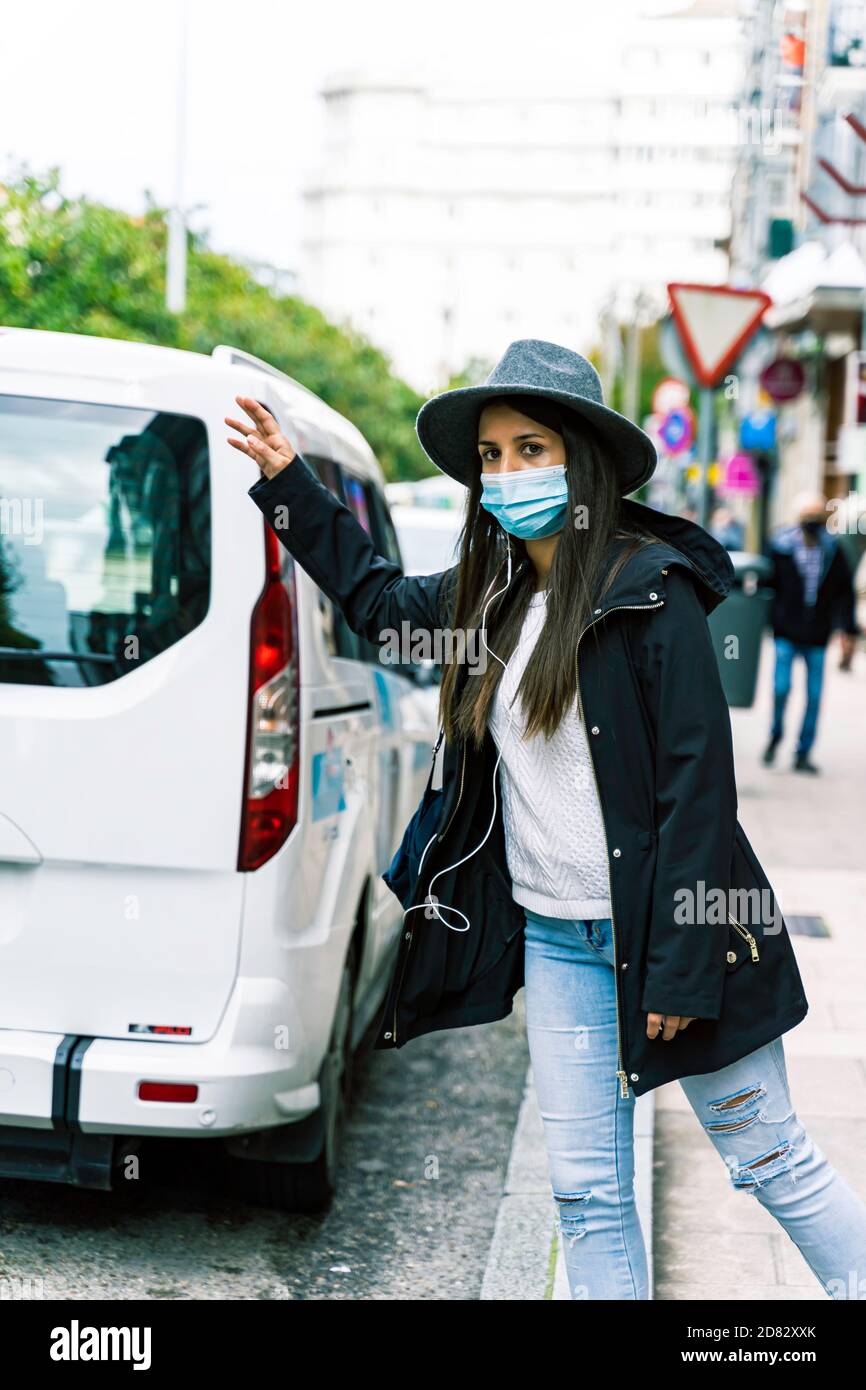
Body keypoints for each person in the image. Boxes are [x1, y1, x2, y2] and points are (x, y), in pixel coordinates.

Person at [227, 338, 866, 1301]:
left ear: (585, 462)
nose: (508, 473)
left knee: (769, 1157)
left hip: (678, 936)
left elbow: (699, 795)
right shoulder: (485, 601)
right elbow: (373, 601)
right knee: (586, 1196)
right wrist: (287, 485)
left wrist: (679, 970)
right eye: (492, 455)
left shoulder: (654, 593)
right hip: (560, 946)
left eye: (532, 449)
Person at [763, 490, 860, 773]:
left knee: (814, 696)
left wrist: (847, 630)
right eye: (808, 518)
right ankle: (775, 735)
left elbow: (845, 592)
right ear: (798, 519)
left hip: (817, 634)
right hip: (785, 631)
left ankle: (803, 753)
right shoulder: (780, 546)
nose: (813, 523)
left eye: (817, 518)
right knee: (781, 689)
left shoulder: (833, 550)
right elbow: (767, 585)